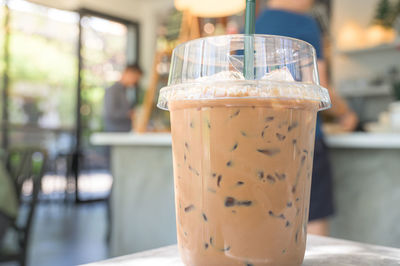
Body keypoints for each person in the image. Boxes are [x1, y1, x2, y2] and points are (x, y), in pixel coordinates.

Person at [255, 0, 358, 236]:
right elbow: (319, 86)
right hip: (302, 137)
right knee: (311, 221)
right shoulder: (304, 23)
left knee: (265, 220)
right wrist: (347, 113)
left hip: (259, 139)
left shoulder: (254, 24)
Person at [103, 64, 143, 132]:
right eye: (136, 78)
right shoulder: (113, 90)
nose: (136, 82)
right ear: (128, 73)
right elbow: (111, 113)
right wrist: (129, 114)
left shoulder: (125, 91)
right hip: (115, 133)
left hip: (124, 132)